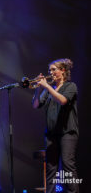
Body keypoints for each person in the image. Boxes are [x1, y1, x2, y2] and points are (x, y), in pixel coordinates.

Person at [32, 59, 79, 193]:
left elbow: (63, 100)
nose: (50, 72)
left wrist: (47, 87)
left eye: (53, 69)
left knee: (67, 166)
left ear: (63, 71)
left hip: (67, 133)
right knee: (51, 169)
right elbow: (35, 105)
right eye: (49, 70)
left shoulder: (71, 86)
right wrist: (38, 89)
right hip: (51, 135)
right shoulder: (48, 90)